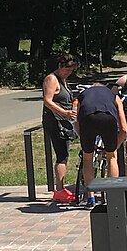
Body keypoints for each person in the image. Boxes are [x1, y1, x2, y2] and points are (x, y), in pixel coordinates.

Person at [76, 79, 127, 203]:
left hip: (87, 118)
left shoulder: (82, 96)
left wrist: (84, 139)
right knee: (111, 157)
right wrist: (115, 146)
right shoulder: (114, 96)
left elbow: (77, 122)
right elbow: (124, 129)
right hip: (108, 118)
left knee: (87, 158)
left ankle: (91, 196)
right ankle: (113, 196)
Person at [41, 54, 79, 204]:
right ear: (60, 66)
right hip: (55, 121)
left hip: (64, 121)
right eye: (67, 69)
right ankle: (59, 190)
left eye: (71, 70)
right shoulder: (51, 79)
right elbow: (47, 101)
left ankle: (61, 188)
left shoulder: (63, 79)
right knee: (62, 154)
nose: (69, 72)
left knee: (65, 154)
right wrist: (64, 112)